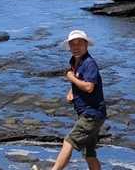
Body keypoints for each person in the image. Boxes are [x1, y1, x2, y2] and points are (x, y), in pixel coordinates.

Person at [42, 29, 107, 170]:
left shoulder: (89, 63)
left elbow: (89, 87)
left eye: (79, 44)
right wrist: (72, 90)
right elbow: (82, 81)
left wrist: (70, 77)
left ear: (86, 45)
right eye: (73, 44)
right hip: (89, 114)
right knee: (89, 154)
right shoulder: (75, 61)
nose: (76, 47)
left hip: (92, 114)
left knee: (69, 142)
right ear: (69, 46)